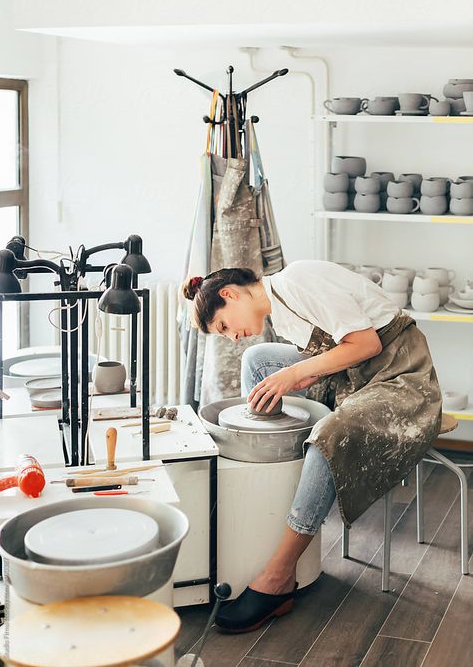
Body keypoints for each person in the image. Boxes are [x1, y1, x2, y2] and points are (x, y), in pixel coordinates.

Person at [182, 260, 442, 633]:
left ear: (230, 294)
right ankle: (271, 491)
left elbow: (366, 343)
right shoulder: (280, 314)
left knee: (327, 436)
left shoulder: (298, 280)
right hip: (354, 375)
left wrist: (294, 374)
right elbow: (328, 358)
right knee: (258, 360)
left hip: (399, 373)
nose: (232, 336)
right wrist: (292, 375)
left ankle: (279, 576)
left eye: (224, 325)